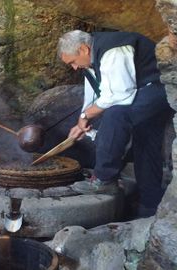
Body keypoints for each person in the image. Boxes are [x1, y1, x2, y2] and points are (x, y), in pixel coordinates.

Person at [57, 30, 173, 217]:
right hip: (143, 95)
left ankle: (105, 178)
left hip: (158, 88)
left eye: (72, 62)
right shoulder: (90, 63)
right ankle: (149, 207)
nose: (74, 68)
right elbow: (94, 95)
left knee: (116, 115)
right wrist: (82, 123)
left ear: (84, 49)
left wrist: (86, 116)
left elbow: (120, 95)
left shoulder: (114, 49)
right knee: (145, 145)